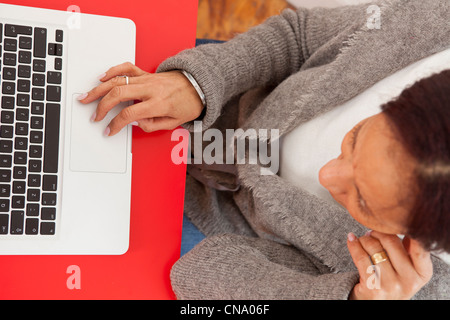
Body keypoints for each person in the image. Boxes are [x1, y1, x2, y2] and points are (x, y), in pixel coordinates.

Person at [79, 0, 449, 299]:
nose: (326, 175)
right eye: (356, 137)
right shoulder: (436, 26)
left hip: (218, 223)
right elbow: (297, 37)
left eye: (364, 202)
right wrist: (198, 84)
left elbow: (196, 274)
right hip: (226, 91)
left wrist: (348, 297)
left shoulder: (418, 286)